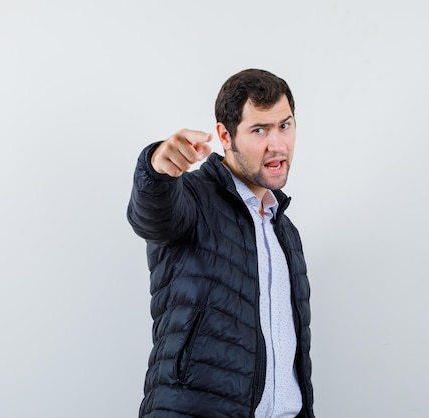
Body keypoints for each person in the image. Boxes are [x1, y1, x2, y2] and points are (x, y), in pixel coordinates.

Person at [127, 68, 314, 418]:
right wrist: (156, 169)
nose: (277, 145)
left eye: (285, 126)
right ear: (224, 136)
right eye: (260, 130)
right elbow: (151, 215)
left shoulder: (286, 233)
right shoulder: (192, 198)